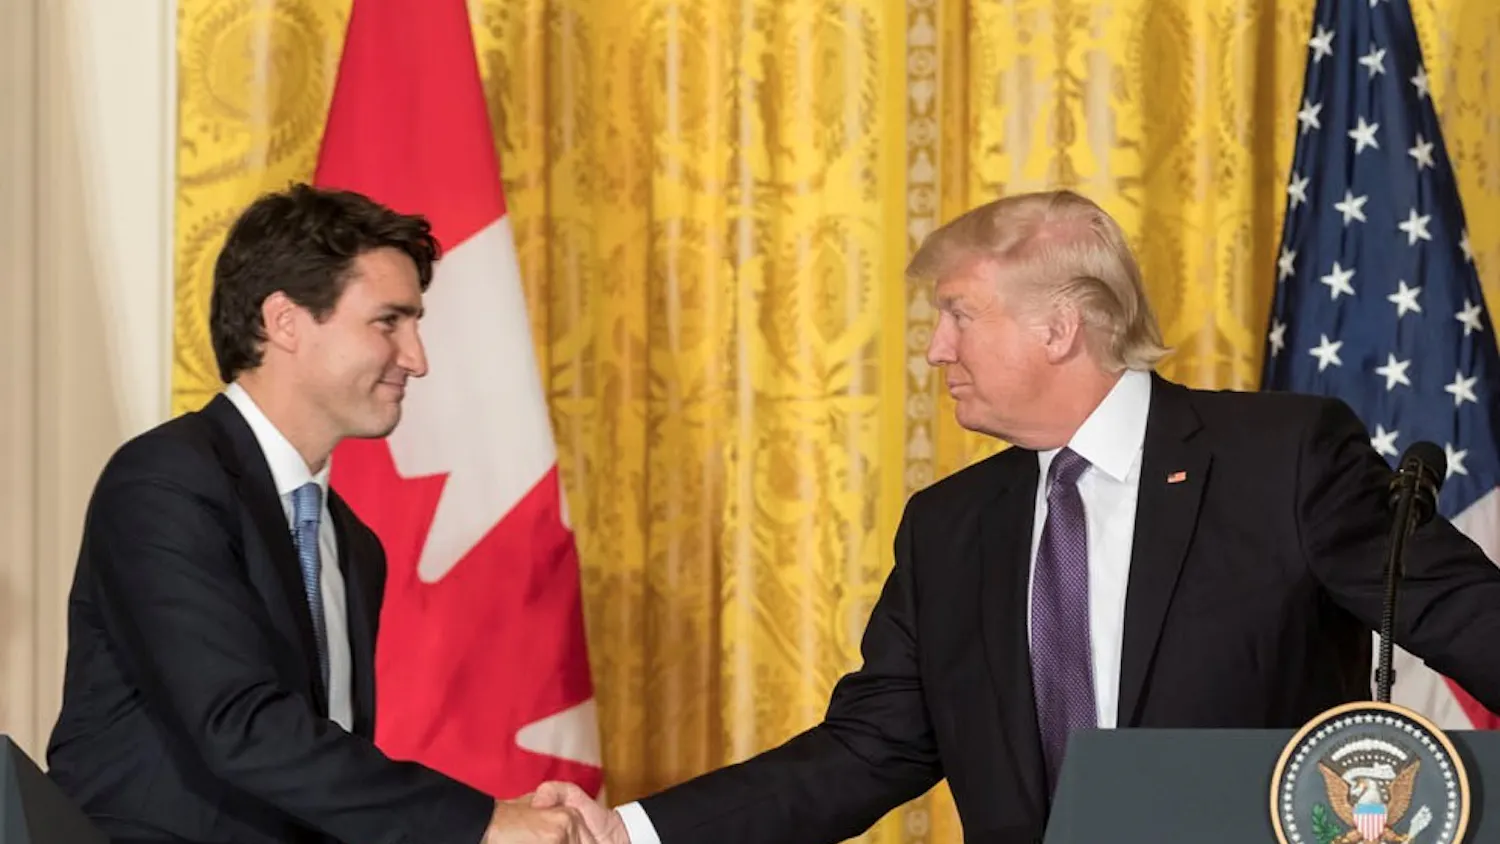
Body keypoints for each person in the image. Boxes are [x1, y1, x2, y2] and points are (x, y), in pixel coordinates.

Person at [532, 190, 1500, 844]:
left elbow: (1471, 621)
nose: (934, 351)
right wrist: (631, 832)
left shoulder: (1277, 461)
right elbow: (866, 749)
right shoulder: (950, 527)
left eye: (957, 314)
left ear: (1057, 325)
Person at [46, 184, 595, 844]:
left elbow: (318, 783)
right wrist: (478, 823)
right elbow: (239, 724)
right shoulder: (165, 482)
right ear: (285, 322)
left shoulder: (351, 543)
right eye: (389, 322)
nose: (417, 359)